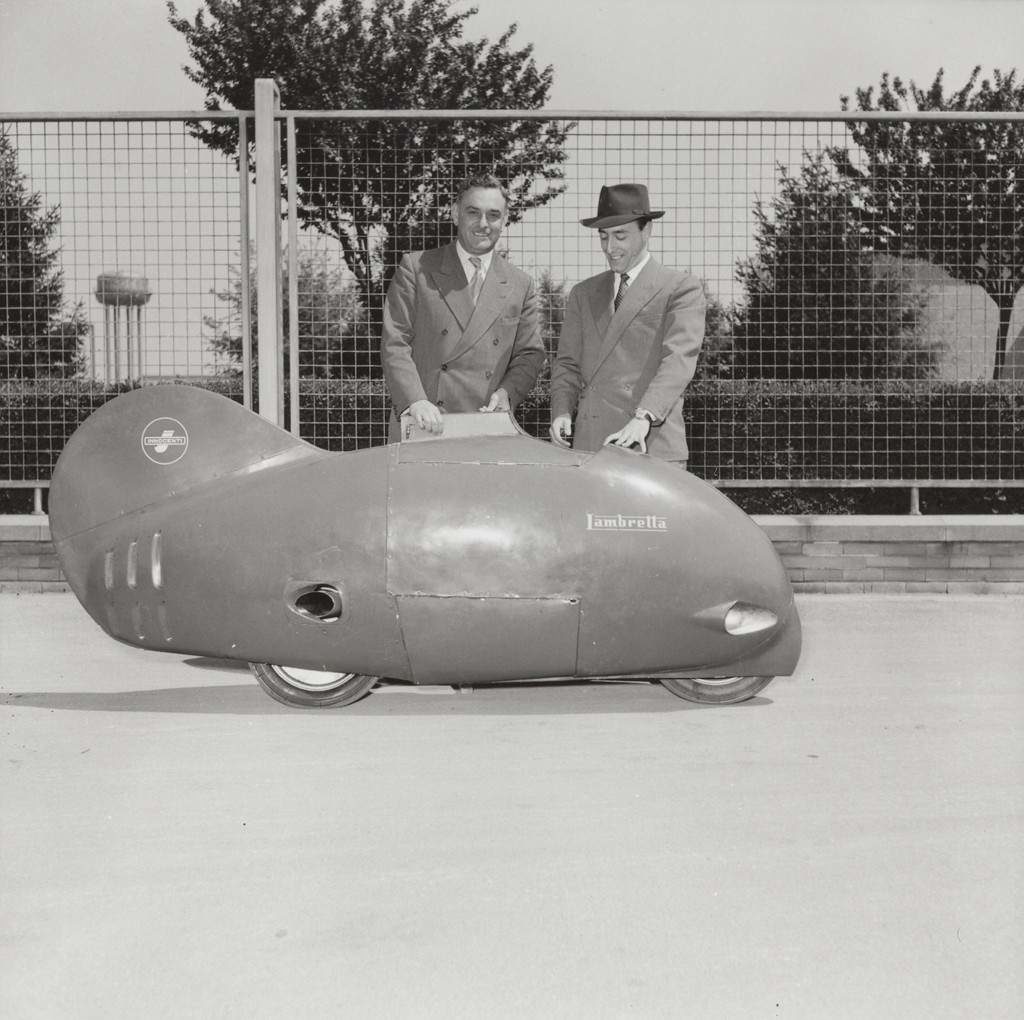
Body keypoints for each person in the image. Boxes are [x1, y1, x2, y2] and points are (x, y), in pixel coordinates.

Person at [548, 183, 706, 467]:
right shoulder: (583, 293)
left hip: (651, 446)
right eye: (603, 236)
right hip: (590, 448)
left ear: (647, 231)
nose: (610, 248)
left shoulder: (680, 289)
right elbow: (567, 364)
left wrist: (644, 416)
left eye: (620, 236)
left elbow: (678, 361)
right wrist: (561, 411)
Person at [381, 173, 546, 437]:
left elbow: (530, 354)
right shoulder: (416, 268)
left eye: (493, 215)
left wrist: (507, 393)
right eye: (473, 212)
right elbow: (395, 342)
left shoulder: (521, 284)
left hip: (486, 427)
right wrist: (415, 400)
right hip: (424, 423)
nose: (483, 224)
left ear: (504, 220)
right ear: (456, 214)